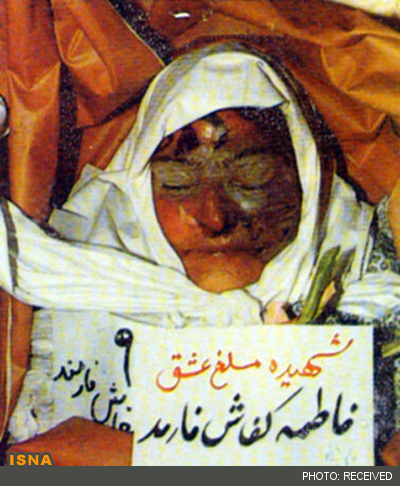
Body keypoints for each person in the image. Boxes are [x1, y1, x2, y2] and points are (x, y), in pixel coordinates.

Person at [3, 43, 400, 465]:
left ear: (305, 173)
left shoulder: (369, 280)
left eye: (251, 179)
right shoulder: (62, 286)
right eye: (178, 183)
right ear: (139, 187)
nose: (214, 217)